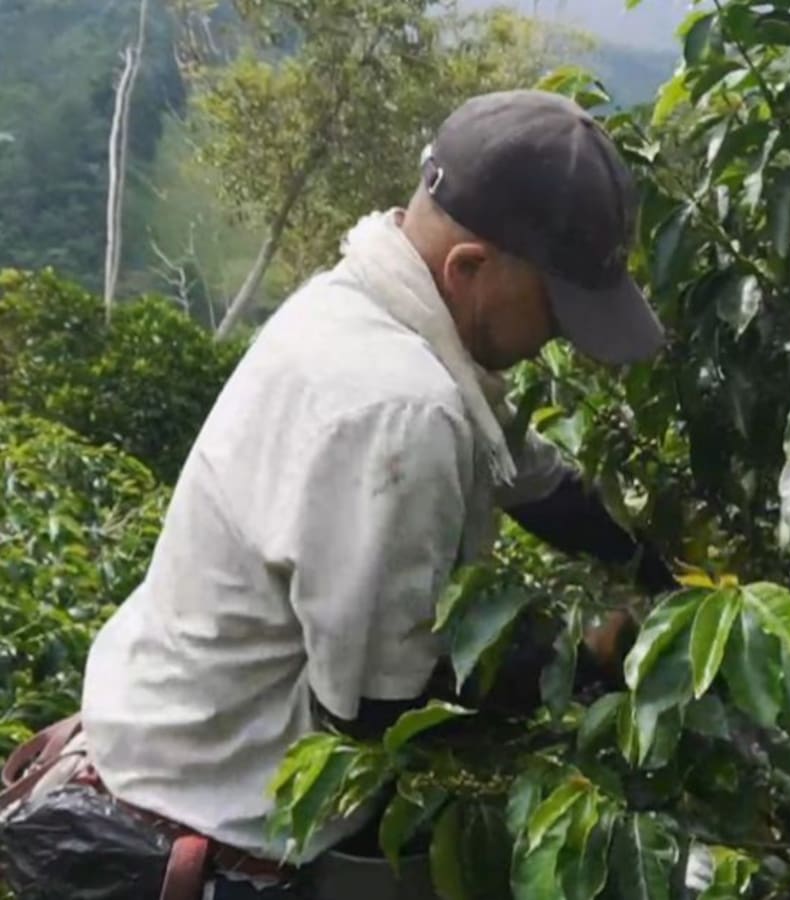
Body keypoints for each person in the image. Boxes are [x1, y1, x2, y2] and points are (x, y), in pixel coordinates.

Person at [73, 89, 674, 897]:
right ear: (470, 268)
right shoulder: (398, 406)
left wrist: (661, 569)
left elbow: (531, 478)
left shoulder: (373, 305)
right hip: (209, 834)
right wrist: (591, 659)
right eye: (557, 311)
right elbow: (383, 705)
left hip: (166, 746)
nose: (561, 337)